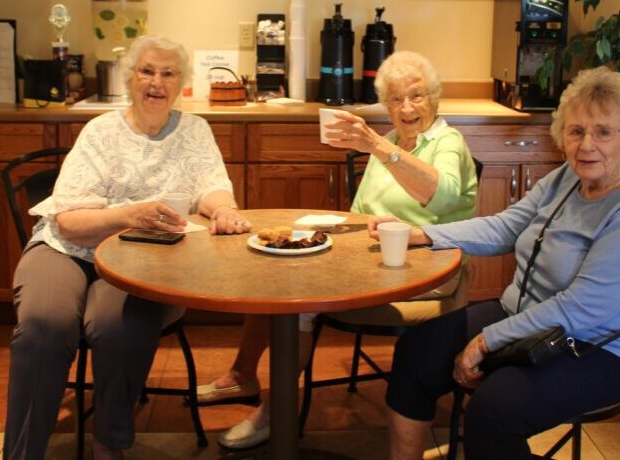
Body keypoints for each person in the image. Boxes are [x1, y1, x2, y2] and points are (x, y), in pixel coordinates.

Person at [373, 66, 620, 460]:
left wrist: (484, 343)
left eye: (604, 132)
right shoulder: (567, 177)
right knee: (417, 351)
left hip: (598, 346)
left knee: (494, 411)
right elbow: (507, 227)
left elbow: (579, 309)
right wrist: (425, 234)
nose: (587, 145)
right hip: (523, 315)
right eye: (576, 130)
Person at [203, 50, 479, 450]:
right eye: (396, 99)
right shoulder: (387, 142)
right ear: (386, 104)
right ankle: (258, 392)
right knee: (276, 281)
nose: (406, 108)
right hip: (377, 262)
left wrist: (378, 148)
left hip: (429, 270)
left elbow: (440, 195)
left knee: (296, 299)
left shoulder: (445, 142)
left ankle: (270, 414)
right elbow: (360, 212)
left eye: (417, 96)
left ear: (434, 98)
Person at [2, 36, 250, 460]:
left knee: (119, 326)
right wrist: (127, 215)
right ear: (130, 78)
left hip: (140, 261)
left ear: (181, 84)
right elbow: (69, 222)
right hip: (66, 250)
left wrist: (223, 210)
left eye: (168, 73)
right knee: (46, 323)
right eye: (147, 71)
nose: (156, 82)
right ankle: (23, 453)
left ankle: (108, 443)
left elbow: (211, 186)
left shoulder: (194, 130)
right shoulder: (99, 131)